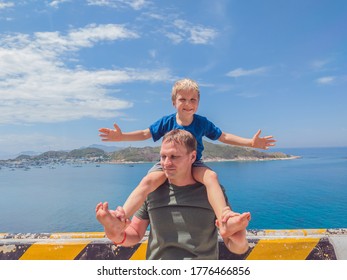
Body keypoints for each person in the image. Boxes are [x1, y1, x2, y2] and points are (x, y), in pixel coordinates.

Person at [99, 78, 275, 224]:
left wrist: (251, 143)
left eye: (193, 100)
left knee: (211, 177)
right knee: (148, 181)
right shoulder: (166, 122)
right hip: (169, 163)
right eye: (183, 99)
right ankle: (121, 215)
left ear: (198, 103)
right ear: (174, 102)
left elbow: (224, 137)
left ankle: (225, 216)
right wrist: (122, 136)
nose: (188, 104)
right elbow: (146, 133)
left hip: (194, 163)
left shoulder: (202, 122)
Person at [96, 129, 251, 259]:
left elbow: (237, 247)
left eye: (174, 157)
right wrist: (117, 235)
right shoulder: (152, 190)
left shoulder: (212, 192)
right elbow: (135, 233)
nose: (166, 163)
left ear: (192, 157)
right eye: (163, 157)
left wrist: (239, 240)